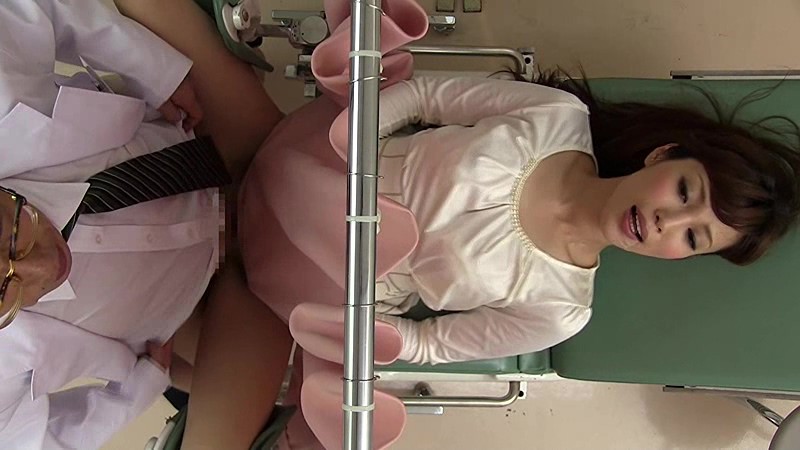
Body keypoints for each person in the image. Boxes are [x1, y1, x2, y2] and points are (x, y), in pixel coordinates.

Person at [0, 0, 293, 449]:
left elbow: (42, 6)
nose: (45, 268)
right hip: (209, 303)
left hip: (213, 140)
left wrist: (154, 71)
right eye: (6, 293)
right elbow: (39, 440)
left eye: (9, 234)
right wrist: (133, 393)